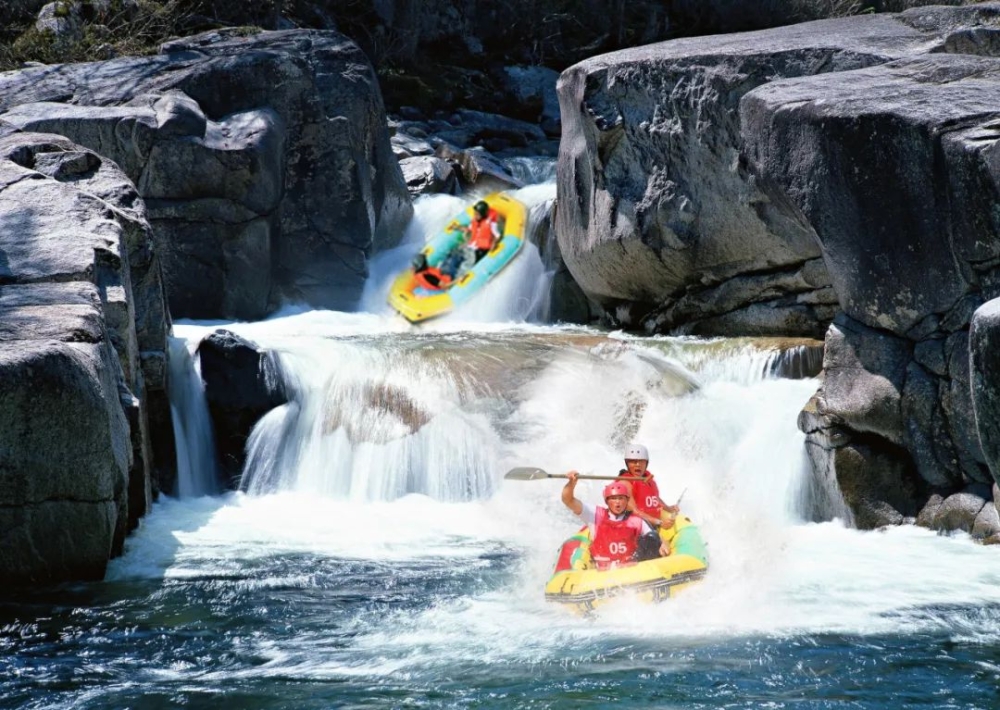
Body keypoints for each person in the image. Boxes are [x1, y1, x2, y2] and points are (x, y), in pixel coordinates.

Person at [562, 471, 669, 569]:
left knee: (652, 538)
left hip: (631, 567)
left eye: (621, 498)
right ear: (607, 501)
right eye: (613, 498)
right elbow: (568, 500)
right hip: (603, 570)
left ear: (627, 500)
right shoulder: (595, 515)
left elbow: (654, 536)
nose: (618, 502)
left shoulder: (636, 520)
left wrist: (663, 544)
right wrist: (571, 483)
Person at [618, 443, 680, 530]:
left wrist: (668, 508)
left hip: (651, 524)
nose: (637, 464)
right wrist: (659, 522)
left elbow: (655, 498)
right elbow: (634, 511)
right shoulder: (625, 483)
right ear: (627, 464)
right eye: (633, 461)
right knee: (657, 538)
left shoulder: (648, 480)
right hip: (635, 527)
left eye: (641, 461)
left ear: (646, 463)